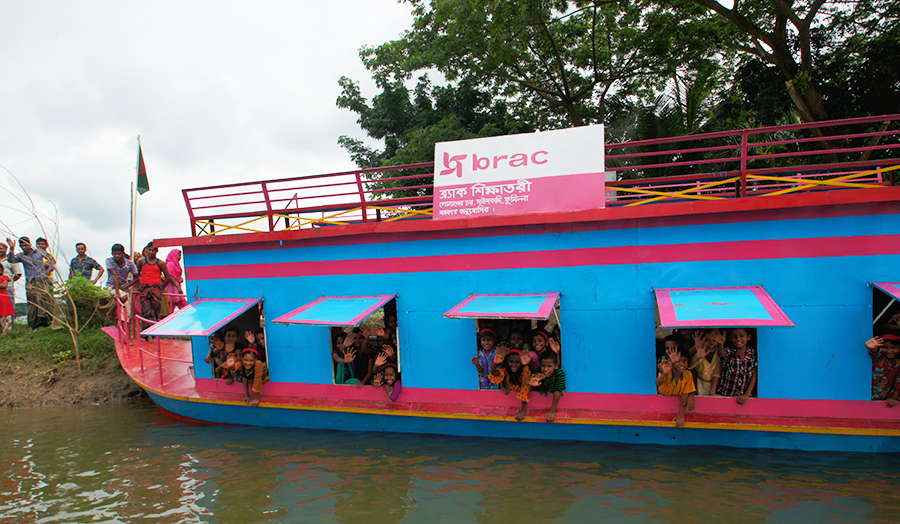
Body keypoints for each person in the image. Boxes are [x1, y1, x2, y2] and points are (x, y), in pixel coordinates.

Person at [6, 236, 55, 330]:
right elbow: (11, 260)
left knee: (45, 301)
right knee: (32, 302)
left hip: (42, 280)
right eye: (22, 246)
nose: (24, 247)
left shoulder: (40, 252)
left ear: (29, 244)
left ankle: (49, 322)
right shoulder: (21, 255)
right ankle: (32, 325)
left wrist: (48, 271)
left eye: (25, 245)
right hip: (30, 281)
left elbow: (52, 260)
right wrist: (11, 248)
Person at [134, 243, 175, 331]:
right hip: (144, 288)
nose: (151, 252)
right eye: (149, 250)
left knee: (155, 312)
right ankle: (146, 333)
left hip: (156, 288)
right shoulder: (141, 261)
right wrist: (139, 287)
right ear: (146, 250)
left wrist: (160, 287)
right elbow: (136, 275)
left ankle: (153, 333)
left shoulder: (161, 263)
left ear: (157, 251)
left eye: (153, 250)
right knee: (146, 312)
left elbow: (168, 277)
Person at [713, 328, 757, 405]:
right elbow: (722, 355)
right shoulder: (729, 352)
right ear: (730, 339)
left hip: (744, 398)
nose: (738, 339)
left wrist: (746, 394)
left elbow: (754, 375)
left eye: (741, 336)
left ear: (749, 337)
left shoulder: (752, 354)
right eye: (734, 336)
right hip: (726, 396)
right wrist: (721, 343)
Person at [656, 346, 697, 427]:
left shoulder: (688, 375)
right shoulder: (667, 370)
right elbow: (658, 383)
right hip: (660, 405)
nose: (682, 364)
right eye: (678, 361)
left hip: (675, 408)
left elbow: (685, 396)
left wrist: (681, 415)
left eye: (685, 361)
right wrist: (664, 373)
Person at [489, 346, 532, 421]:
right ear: (508, 361)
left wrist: (523, 410)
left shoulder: (525, 370)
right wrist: (495, 363)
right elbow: (496, 373)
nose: (514, 365)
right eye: (511, 361)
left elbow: (525, 388)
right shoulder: (506, 369)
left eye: (517, 362)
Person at [528, 352, 566, 422]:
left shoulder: (559, 373)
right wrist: (529, 382)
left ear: (556, 366)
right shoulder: (539, 372)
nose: (545, 369)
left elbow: (557, 391)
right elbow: (529, 380)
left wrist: (552, 411)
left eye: (549, 366)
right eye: (543, 366)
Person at [105, 244, 139, 322]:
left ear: (123, 254)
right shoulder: (109, 261)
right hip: (112, 286)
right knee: (123, 297)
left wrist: (126, 286)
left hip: (124, 287)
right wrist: (117, 292)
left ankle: (125, 331)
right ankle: (111, 312)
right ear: (112, 254)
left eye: (119, 254)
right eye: (115, 254)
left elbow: (136, 277)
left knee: (127, 309)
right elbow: (115, 276)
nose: (117, 256)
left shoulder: (130, 263)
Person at [866, 333, 900, 407]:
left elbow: (898, 381)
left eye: (893, 348)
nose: (889, 351)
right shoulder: (880, 358)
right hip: (868, 396)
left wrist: (895, 398)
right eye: (885, 347)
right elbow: (876, 353)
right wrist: (873, 348)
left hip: (886, 399)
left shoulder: (898, 362)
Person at [689, 329, 723, 396]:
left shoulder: (719, 354)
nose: (711, 343)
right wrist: (697, 357)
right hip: (700, 388)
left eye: (714, 340)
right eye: (707, 340)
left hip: (716, 389)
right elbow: (689, 365)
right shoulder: (700, 353)